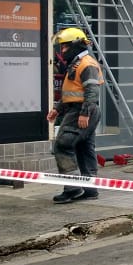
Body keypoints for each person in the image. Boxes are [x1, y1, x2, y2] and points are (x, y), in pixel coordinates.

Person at [47, 27, 105, 204]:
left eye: (65, 47)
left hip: (83, 110)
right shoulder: (76, 63)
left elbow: (91, 91)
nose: (62, 51)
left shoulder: (87, 64)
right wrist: (58, 109)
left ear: (77, 45)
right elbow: (72, 92)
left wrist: (84, 113)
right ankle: (90, 188)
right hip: (79, 109)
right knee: (84, 147)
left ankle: (72, 189)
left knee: (63, 145)